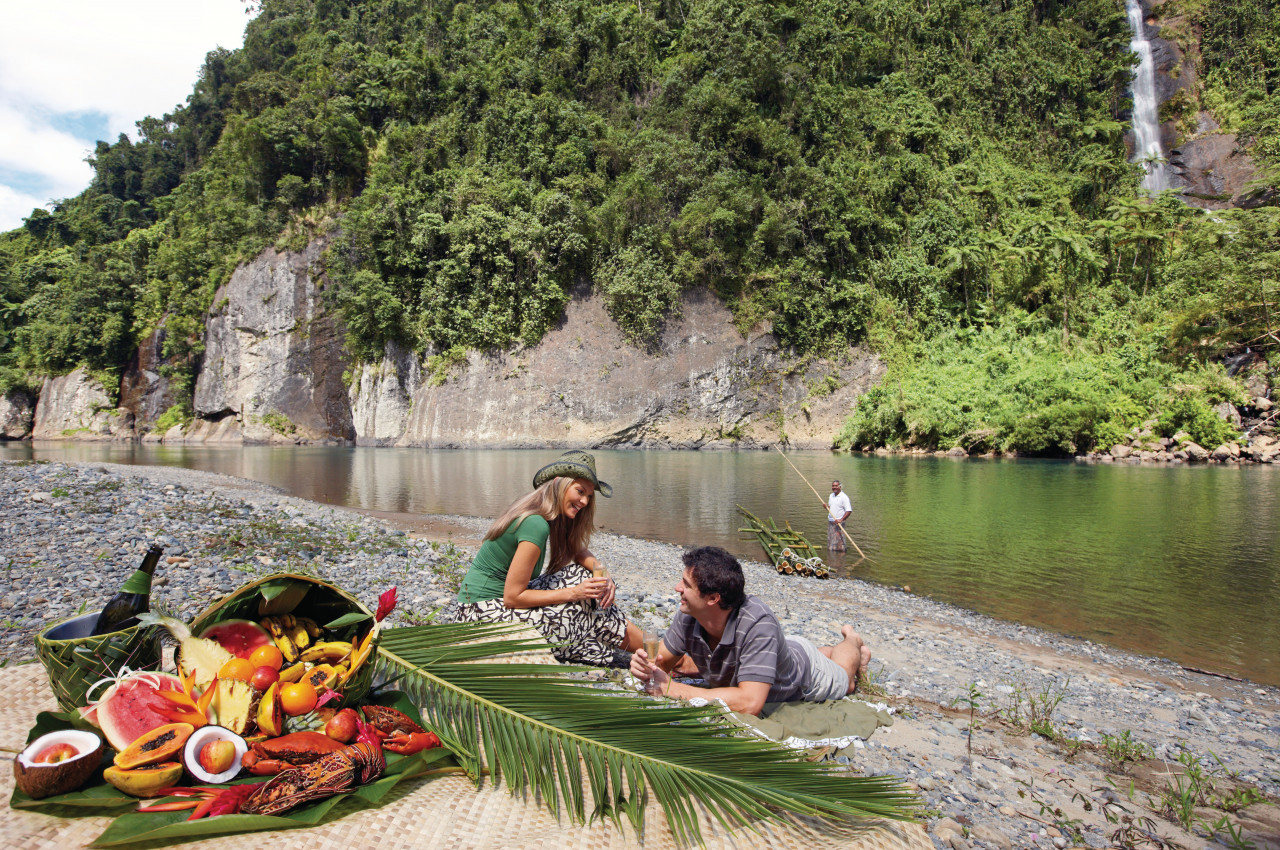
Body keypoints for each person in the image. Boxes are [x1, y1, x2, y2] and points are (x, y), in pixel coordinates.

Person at [447, 450, 642, 664]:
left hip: (484, 606)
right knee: (580, 602)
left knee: (583, 577)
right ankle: (651, 652)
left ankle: (643, 650)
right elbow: (513, 597)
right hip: (480, 615)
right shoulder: (536, 524)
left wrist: (604, 574)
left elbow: (577, 551)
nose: (585, 501)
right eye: (580, 491)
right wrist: (573, 593)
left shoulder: (546, 514)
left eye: (589, 496)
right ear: (559, 483)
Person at [630, 546, 871, 716]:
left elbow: (751, 703)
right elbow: (660, 663)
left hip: (806, 676)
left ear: (713, 598)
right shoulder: (689, 613)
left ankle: (852, 640)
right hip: (779, 650)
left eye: (686, 584)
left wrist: (672, 689)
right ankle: (829, 650)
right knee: (799, 651)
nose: (676, 588)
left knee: (846, 680)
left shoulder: (759, 623)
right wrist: (644, 667)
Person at [827, 479, 852, 552]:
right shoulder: (831, 496)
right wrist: (826, 507)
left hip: (839, 522)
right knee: (831, 540)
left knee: (839, 541)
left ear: (840, 487)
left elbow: (849, 510)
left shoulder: (844, 497)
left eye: (836, 486)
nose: (834, 487)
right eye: (833, 486)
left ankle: (840, 556)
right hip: (831, 521)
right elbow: (831, 508)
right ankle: (832, 555)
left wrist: (841, 519)